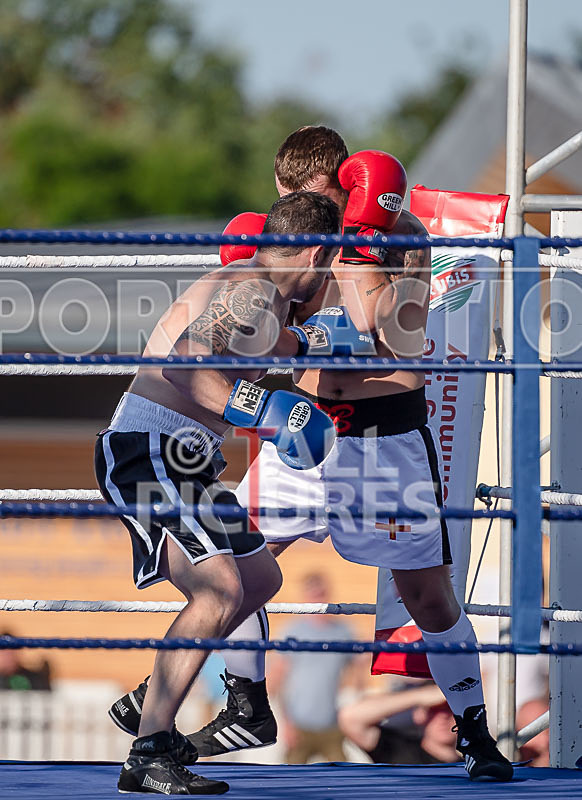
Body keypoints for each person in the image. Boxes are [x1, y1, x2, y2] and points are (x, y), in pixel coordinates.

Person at [111, 127, 513, 782]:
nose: (302, 220)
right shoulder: (292, 239)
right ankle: (240, 701)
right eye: (288, 203)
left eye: (316, 202)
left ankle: (476, 734)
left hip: (384, 440)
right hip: (301, 429)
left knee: (429, 600)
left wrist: (360, 245)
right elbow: (252, 338)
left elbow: (391, 333)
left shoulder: (399, 231)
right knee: (233, 563)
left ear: (345, 185)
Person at [97, 190, 340, 794]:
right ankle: (149, 747)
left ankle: (150, 700)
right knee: (220, 588)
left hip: (185, 463)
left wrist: (323, 341)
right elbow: (187, 365)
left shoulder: (268, 303)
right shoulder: (251, 289)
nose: (330, 274)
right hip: (148, 454)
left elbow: (279, 344)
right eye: (330, 261)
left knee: (259, 582)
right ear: (315, 250)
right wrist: (268, 410)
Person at [268, 572, 356, 764]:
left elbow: (355, 676)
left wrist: (349, 713)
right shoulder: (293, 630)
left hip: (332, 724)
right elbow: (278, 678)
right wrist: (285, 723)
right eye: (314, 595)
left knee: (344, 780)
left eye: (322, 594)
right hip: (299, 724)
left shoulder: (343, 631)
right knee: (289, 781)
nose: (319, 601)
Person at [338, 681, 458, 765]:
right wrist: (419, 696)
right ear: (418, 715)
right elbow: (350, 718)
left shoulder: (472, 765)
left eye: (449, 709)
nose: (443, 716)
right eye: (433, 709)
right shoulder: (398, 748)